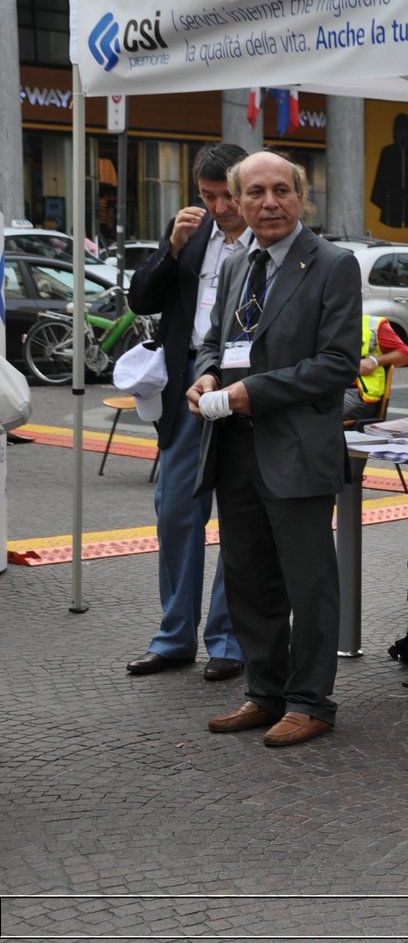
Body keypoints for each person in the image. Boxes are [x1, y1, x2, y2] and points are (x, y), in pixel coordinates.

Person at [188, 151, 361, 749]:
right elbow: (213, 343)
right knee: (248, 576)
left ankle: (311, 701)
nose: (269, 202)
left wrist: (247, 392)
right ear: (237, 200)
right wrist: (207, 377)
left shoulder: (333, 265)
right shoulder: (238, 264)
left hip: (295, 447)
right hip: (234, 445)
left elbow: (337, 365)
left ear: (301, 197)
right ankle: (266, 692)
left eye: (281, 190)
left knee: (307, 581)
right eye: (255, 191)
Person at [123, 143, 250, 681]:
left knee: (241, 524)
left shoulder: (267, 239)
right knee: (176, 516)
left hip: (244, 397)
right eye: (208, 195)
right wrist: (171, 249)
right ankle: (175, 637)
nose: (219, 207)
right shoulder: (189, 231)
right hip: (186, 398)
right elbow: (140, 300)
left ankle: (227, 641)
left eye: (227, 197)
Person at [344, 313, 408, 424]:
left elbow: (405, 355)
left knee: (313, 412)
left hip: (359, 394)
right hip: (329, 389)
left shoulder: (372, 325)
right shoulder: (319, 323)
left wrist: (374, 361)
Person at [370, 112, 408, 229]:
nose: (403, 133)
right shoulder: (388, 152)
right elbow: (379, 182)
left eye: (405, 129)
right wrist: (387, 202)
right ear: (395, 131)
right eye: (400, 129)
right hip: (390, 214)